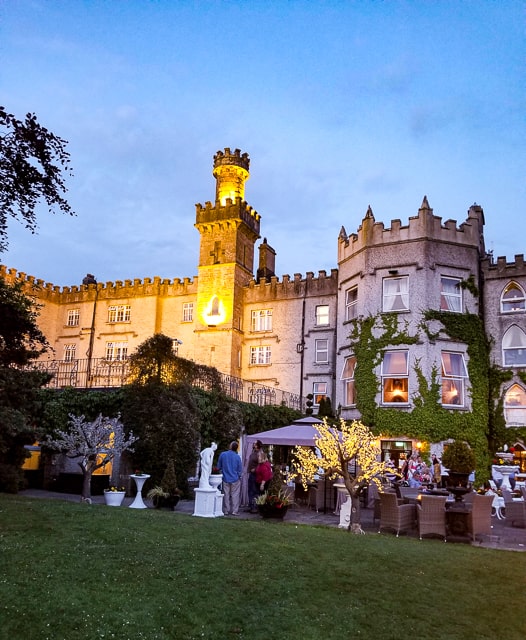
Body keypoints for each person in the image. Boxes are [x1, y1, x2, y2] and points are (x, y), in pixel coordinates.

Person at [217, 441, 243, 515]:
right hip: (235, 479)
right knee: (235, 495)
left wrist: (222, 471)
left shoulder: (223, 454)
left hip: (225, 478)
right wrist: (238, 476)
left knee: (226, 494)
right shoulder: (237, 457)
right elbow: (240, 469)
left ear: (230, 446)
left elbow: (218, 467)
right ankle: (235, 511)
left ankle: (226, 510)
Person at [247, 440, 262, 512]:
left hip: (256, 474)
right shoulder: (253, 452)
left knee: (255, 490)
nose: (253, 444)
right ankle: (251, 505)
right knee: (250, 490)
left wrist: (255, 469)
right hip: (251, 474)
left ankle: (255, 507)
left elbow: (261, 463)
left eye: (255, 444)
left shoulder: (260, 453)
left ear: (258, 445)